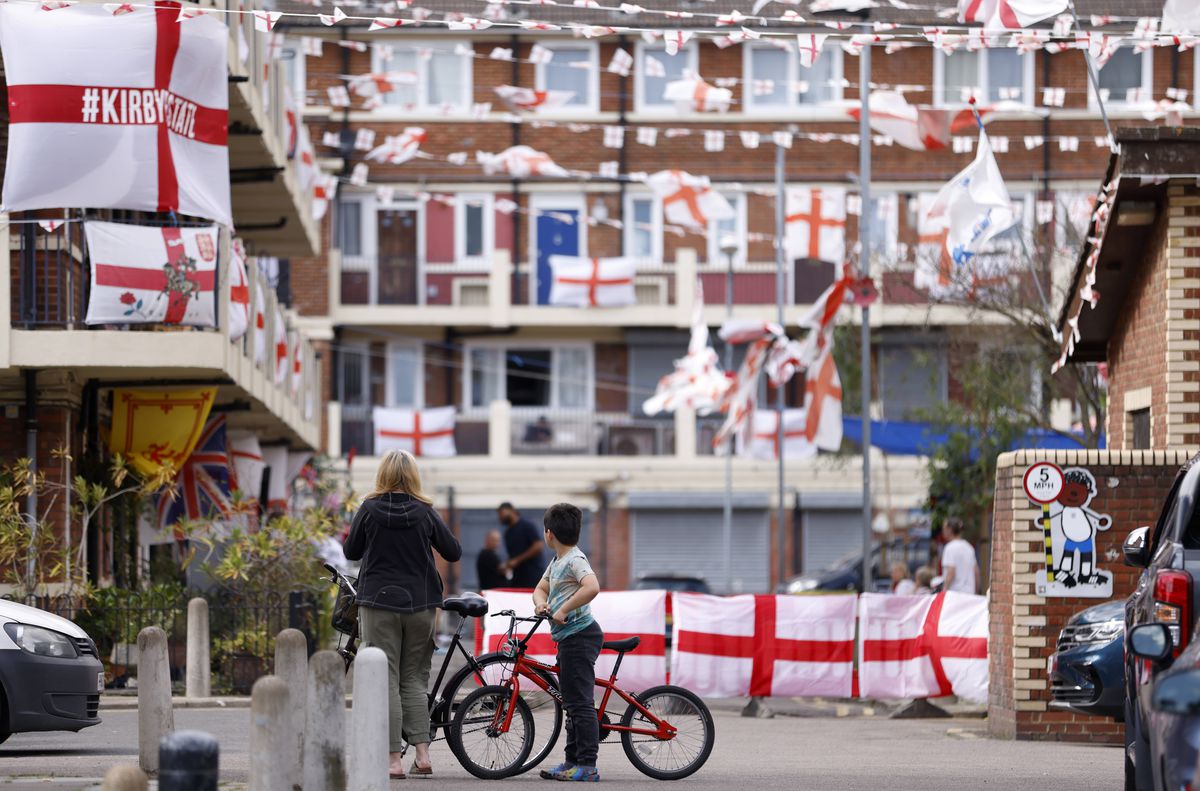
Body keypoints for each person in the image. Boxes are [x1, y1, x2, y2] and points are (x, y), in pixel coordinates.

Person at [343, 449, 462, 780]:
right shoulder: (425, 511)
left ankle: (393, 760)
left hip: (378, 604)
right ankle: (422, 755)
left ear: (382, 474)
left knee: (387, 679)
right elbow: (453, 552)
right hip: (421, 605)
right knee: (413, 678)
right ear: (413, 476)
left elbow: (351, 551)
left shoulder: (369, 509)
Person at [534, 503, 603, 783]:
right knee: (571, 703)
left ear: (548, 533)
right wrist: (541, 603)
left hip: (580, 636)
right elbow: (541, 588)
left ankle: (587, 765)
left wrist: (562, 609)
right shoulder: (557, 561)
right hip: (568, 638)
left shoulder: (575, 559)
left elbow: (592, 586)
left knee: (580, 703)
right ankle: (571, 761)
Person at [498, 502, 547, 588]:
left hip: (533, 576)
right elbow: (513, 556)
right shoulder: (508, 533)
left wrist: (517, 560)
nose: (500, 517)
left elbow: (538, 546)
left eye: (501, 513)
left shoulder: (527, 525)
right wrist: (507, 565)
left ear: (511, 510)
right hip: (518, 579)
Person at [940, 518, 979, 595]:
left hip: (955, 594)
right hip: (969, 594)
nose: (943, 531)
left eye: (944, 528)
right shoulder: (969, 547)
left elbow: (951, 571)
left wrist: (944, 590)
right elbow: (976, 572)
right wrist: (976, 592)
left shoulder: (950, 547)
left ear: (950, 530)